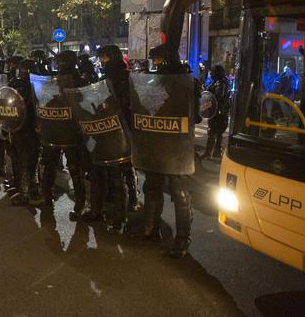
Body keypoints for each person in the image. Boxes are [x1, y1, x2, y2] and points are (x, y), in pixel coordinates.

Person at [140, 44, 194, 258]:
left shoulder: (187, 83)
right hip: (155, 142)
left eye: (159, 60)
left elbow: (195, 115)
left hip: (177, 146)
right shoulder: (152, 83)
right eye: (154, 60)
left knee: (179, 193)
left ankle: (182, 240)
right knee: (152, 186)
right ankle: (150, 229)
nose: (155, 64)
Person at [84, 45, 134, 234]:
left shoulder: (126, 79)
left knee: (117, 177)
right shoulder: (103, 79)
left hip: (119, 133)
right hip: (102, 131)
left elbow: (127, 106)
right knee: (97, 173)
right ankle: (97, 210)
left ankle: (120, 218)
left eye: (105, 57)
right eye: (101, 58)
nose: (102, 61)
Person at [39, 50, 88, 220]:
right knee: (50, 164)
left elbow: (84, 105)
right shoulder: (53, 80)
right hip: (55, 127)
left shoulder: (80, 81)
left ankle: (80, 203)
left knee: (74, 169)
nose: (59, 65)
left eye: (61, 62)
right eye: (57, 62)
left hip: (71, 130)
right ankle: (46, 195)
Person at [7, 58, 41, 205]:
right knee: (30, 161)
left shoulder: (30, 87)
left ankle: (26, 193)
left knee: (25, 161)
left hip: (25, 129)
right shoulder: (37, 86)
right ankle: (31, 190)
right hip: (29, 130)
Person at [201, 65, 230, 160]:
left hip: (218, 112)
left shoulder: (220, 83)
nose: (211, 73)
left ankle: (208, 153)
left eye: (213, 71)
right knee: (217, 133)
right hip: (219, 112)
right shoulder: (219, 82)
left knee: (212, 131)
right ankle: (216, 152)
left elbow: (217, 97)